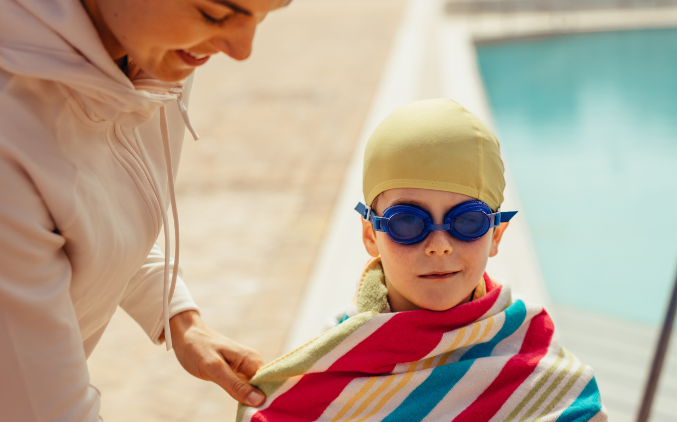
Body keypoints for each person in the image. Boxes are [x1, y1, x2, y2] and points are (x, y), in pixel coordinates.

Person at [0, 0, 291, 420]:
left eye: (266, 13)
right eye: (214, 13)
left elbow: (92, 207)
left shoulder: (149, 50)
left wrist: (179, 317)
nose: (242, 48)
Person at [236, 99, 607, 422]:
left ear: (495, 235)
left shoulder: (544, 378)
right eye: (408, 223)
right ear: (371, 235)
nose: (439, 245)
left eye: (468, 221)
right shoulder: (326, 373)